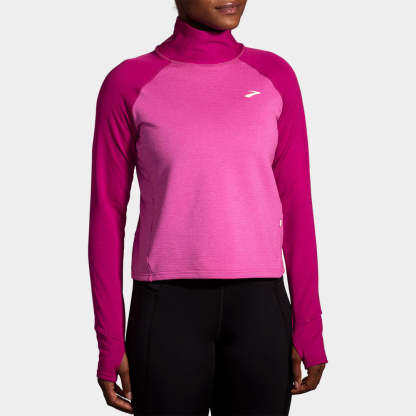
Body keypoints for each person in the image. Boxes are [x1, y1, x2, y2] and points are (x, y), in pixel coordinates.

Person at [88, 1, 328, 414]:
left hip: (260, 309)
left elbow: (297, 208)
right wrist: (110, 338)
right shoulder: (129, 82)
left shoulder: (275, 76)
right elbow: (107, 216)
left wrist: (309, 324)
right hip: (166, 308)